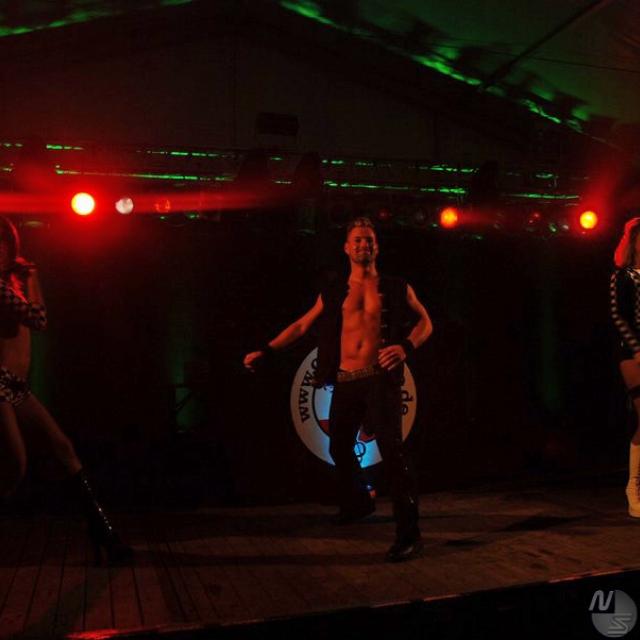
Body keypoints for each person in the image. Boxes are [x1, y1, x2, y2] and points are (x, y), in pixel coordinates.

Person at [244, 217, 433, 561]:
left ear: (377, 247)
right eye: (357, 240)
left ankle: (410, 534)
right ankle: (359, 502)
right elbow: (301, 325)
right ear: (346, 248)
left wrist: (406, 346)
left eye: (369, 240)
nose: (364, 245)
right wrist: (266, 350)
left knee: (393, 454)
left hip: (379, 379)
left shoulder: (395, 286)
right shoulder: (333, 291)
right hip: (346, 381)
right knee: (338, 448)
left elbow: (426, 322)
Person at [0, 216, 132, 564]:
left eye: (3, 244)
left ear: (11, 248)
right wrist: (34, 278)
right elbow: (38, 320)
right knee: (15, 464)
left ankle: (102, 530)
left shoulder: (9, 284)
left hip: (14, 385)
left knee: (62, 447)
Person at [610, 217, 640, 518]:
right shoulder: (622, 276)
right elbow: (618, 316)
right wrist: (637, 348)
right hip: (632, 353)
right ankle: (634, 488)